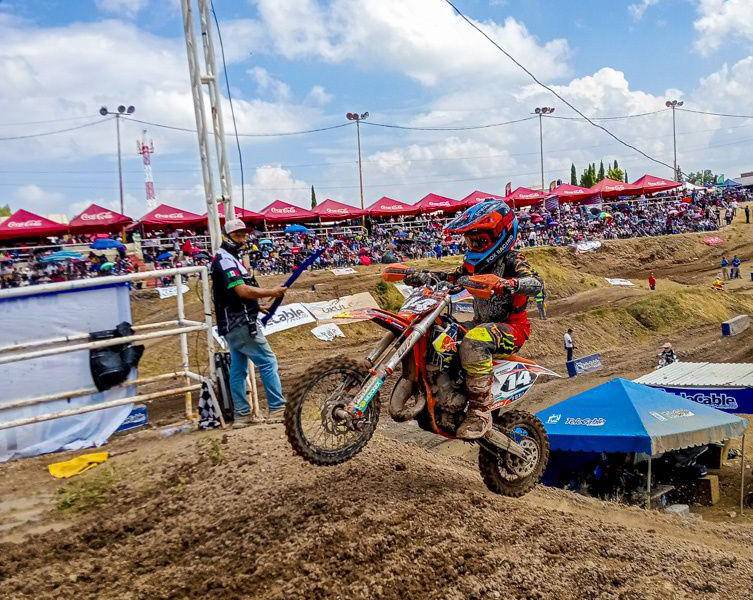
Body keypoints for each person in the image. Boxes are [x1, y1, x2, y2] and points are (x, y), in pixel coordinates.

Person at [406, 201, 543, 439]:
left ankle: (480, 411)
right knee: (440, 330)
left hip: (512, 329)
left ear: (500, 235)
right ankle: (444, 392)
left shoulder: (512, 260)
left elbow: (536, 283)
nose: (473, 246)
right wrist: (424, 276)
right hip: (480, 324)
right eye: (470, 241)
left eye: (479, 241)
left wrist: (509, 283)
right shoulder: (475, 266)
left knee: (472, 341)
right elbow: (452, 278)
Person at [210, 219, 288, 427]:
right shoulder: (225, 260)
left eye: (244, 234)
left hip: (231, 324)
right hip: (240, 323)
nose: (242, 238)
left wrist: (256, 306)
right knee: (267, 361)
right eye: (238, 235)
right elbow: (242, 291)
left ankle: (242, 415)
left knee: (238, 369)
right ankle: (277, 408)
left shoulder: (229, 258)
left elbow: (235, 294)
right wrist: (272, 291)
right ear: (227, 237)